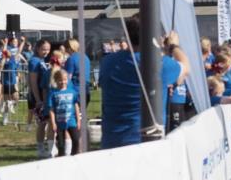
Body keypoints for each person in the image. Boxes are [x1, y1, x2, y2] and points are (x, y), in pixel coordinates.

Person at [98, 18, 159, 147]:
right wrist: (173, 46)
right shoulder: (154, 63)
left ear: (126, 35)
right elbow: (185, 68)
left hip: (111, 139)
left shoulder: (107, 62)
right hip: (140, 141)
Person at [46, 68, 81, 157]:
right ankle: (61, 158)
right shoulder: (53, 93)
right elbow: (51, 109)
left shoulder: (72, 92)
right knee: (61, 144)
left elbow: (76, 105)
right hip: (59, 122)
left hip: (71, 121)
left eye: (65, 80)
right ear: (56, 80)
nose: (63, 82)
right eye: (60, 80)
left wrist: (78, 119)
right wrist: (53, 123)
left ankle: (74, 155)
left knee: (76, 139)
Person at [162, 32, 190, 133]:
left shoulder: (176, 57)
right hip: (173, 99)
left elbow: (183, 75)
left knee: (179, 129)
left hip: (180, 99)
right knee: (173, 130)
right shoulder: (166, 59)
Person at [26, 38, 51, 149]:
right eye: (43, 49)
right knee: (42, 123)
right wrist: (38, 100)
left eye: (48, 49)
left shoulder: (41, 60)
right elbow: (33, 82)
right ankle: (40, 148)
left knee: (45, 122)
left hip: (43, 95)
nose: (46, 51)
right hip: (38, 96)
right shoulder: (34, 61)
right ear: (37, 49)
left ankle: (44, 145)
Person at [64, 37, 91, 106]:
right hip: (86, 90)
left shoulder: (71, 59)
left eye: (65, 47)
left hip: (75, 91)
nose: (65, 50)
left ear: (69, 47)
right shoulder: (85, 57)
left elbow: (68, 77)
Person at [0, 44, 19, 125]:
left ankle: (10, 104)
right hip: (7, 83)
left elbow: (18, 52)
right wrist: (4, 56)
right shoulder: (5, 61)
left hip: (12, 82)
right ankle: (5, 119)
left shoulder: (13, 60)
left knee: (15, 98)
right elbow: (1, 66)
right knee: (7, 100)